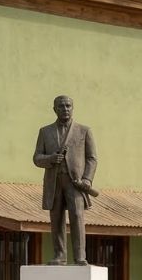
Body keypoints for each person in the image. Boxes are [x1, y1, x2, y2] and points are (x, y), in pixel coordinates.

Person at [33, 95, 98, 265]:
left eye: (68, 105)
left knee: (77, 216)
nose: (65, 109)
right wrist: (50, 159)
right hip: (54, 182)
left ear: (73, 108)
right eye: (61, 106)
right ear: (54, 109)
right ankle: (59, 255)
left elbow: (92, 158)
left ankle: (80, 257)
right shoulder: (45, 132)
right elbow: (37, 158)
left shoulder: (84, 131)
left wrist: (87, 179)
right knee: (56, 218)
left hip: (75, 182)